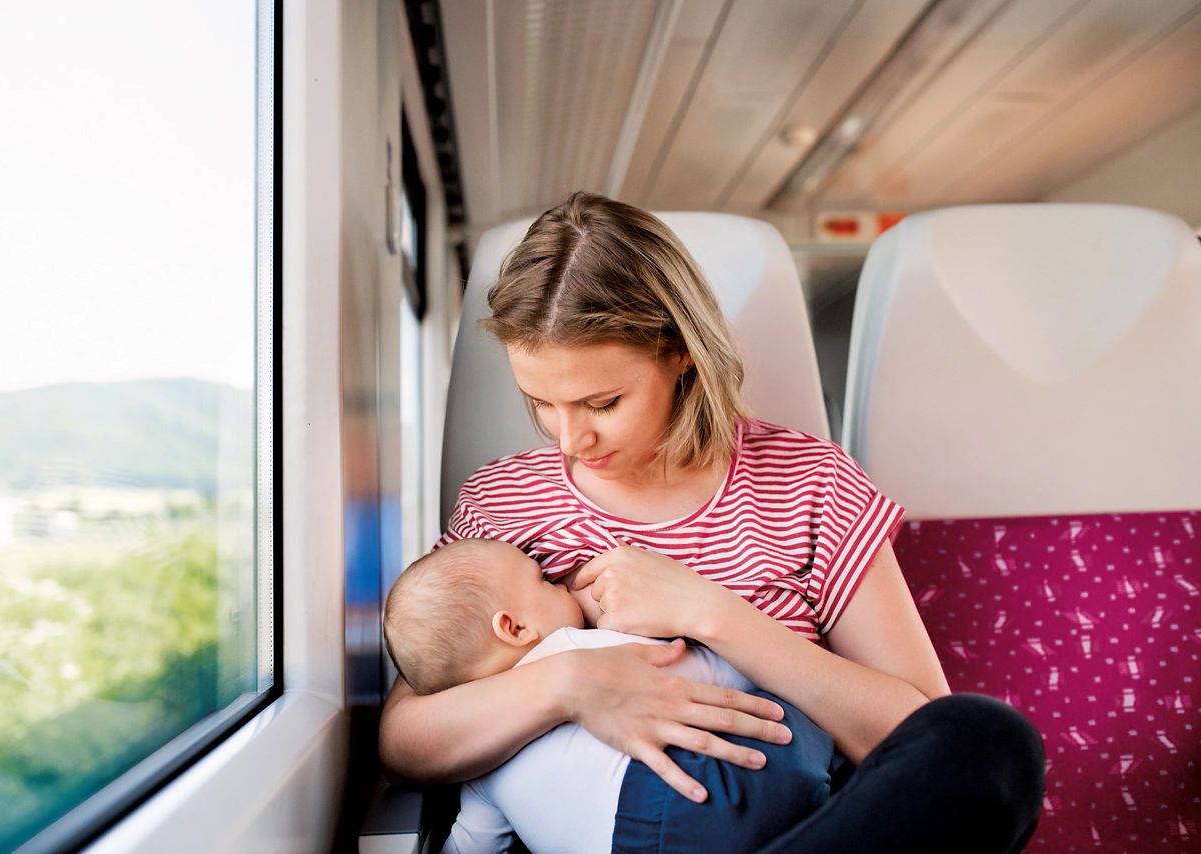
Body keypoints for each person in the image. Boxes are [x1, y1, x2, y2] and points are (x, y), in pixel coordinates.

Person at [379, 192, 1046, 853]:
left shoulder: (810, 483)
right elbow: (406, 740)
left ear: (681, 351)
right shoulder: (504, 503)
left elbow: (919, 737)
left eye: (601, 402)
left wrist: (714, 616)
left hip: (811, 828)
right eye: (541, 403)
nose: (568, 440)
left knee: (988, 742)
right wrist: (567, 683)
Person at [383, 537, 834, 854]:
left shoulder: (479, 758)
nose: (561, 585)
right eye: (543, 581)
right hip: (691, 799)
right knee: (793, 718)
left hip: (614, 844)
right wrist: (752, 667)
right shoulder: (578, 646)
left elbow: (472, 843)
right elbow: (700, 675)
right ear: (515, 627)